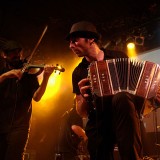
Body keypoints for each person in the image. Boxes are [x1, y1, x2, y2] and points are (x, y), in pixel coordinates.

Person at [66, 21, 160, 160]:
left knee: (121, 97)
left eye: (74, 41)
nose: (71, 46)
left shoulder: (118, 56)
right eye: (70, 42)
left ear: (91, 39)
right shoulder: (78, 72)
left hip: (123, 116)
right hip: (98, 121)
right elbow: (82, 112)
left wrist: (152, 93)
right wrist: (85, 98)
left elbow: (135, 87)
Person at [0, 40, 55, 160]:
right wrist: (4, 76)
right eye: (12, 53)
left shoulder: (29, 74)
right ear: (4, 55)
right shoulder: (1, 74)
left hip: (20, 126)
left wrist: (46, 77)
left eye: (18, 52)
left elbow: (37, 97)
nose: (17, 55)